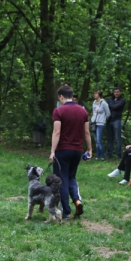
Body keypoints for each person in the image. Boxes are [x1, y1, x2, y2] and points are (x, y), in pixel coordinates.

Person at [50, 84, 91, 219]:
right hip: (77, 150)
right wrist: (90, 149)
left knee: (61, 180)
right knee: (71, 177)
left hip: (62, 150)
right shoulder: (83, 112)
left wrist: (52, 151)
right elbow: (86, 132)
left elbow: (57, 132)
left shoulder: (58, 111)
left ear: (61, 97)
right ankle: (77, 200)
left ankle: (66, 211)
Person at [90, 90, 111, 161]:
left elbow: (108, 113)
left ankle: (102, 155)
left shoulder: (104, 103)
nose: (94, 95)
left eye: (96, 93)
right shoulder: (94, 102)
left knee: (99, 140)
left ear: (99, 95)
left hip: (100, 123)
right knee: (96, 140)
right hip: (94, 122)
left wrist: (104, 120)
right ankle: (97, 156)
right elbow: (93, 112)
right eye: (94, 94)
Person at [106, 86, 126, 158]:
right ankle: (109, 154)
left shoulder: (122, 100)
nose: (116, 93)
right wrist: (112, 105)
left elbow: (116, 107)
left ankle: (118, 154)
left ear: (120, 92)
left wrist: (111, 105)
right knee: (110, 138)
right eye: (115, 92)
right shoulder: (110, 99)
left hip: (117, 119)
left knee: (118, 138)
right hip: (109, 120)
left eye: (118, 92)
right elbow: (107, 107)